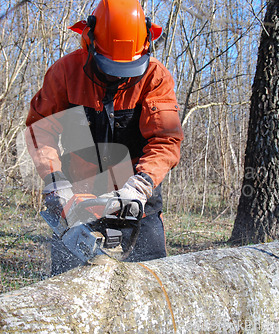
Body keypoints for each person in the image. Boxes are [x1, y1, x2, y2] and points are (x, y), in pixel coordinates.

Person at [25, 0, 183, 275]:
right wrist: (55, 180)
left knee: (151, 279)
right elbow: (41, 129)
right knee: (67, 283)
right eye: (108, 65)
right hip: (79, 189)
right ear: (90, 41)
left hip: (136, 194)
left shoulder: (155, 77)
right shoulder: (65, 73)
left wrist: (140, 185)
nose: (115, 75)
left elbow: (165, 139)